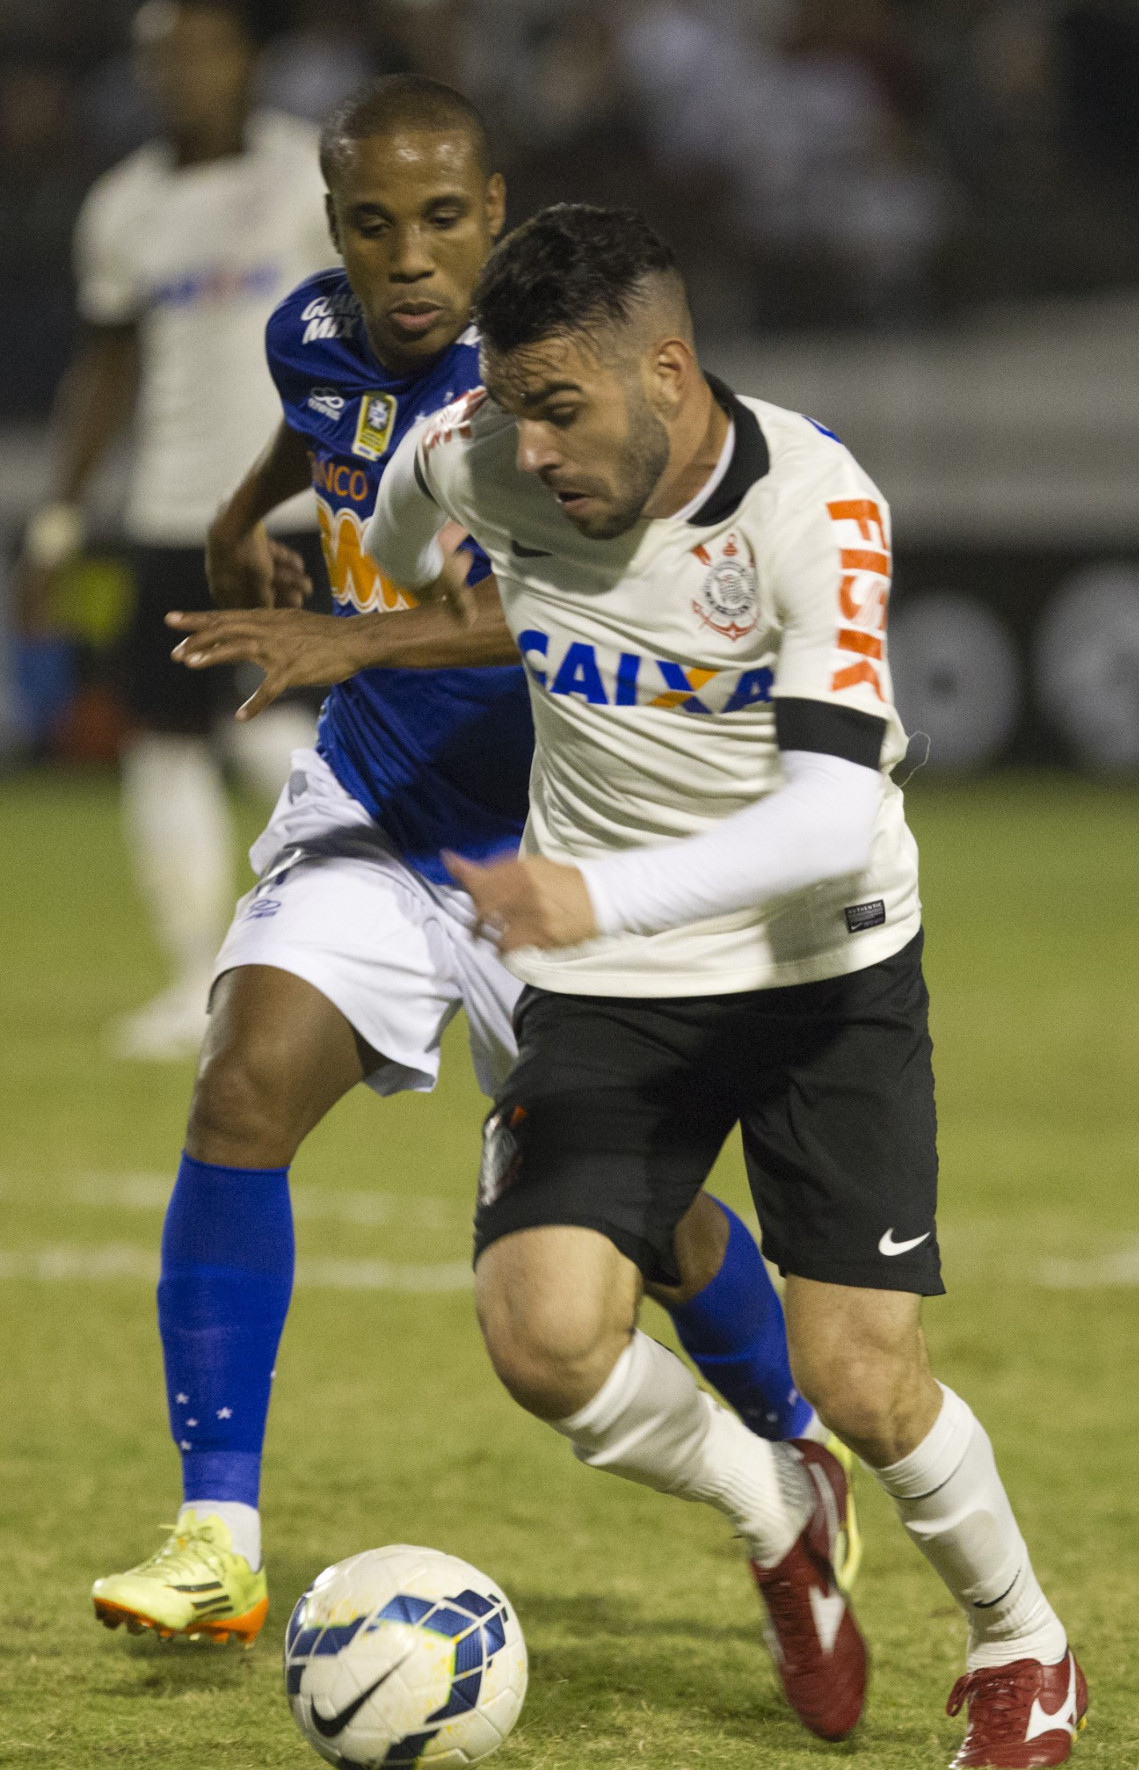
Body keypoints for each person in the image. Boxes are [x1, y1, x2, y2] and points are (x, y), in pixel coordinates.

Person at [92, 79, 837, 1653]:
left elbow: (581, 595)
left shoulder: (556, 385)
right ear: (335, 228)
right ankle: (217, 1533)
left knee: (652, 1219)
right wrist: (246, 524)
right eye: (374, 225)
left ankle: (798, 1446)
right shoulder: (311, 331)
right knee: (240, 1085)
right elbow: (321, 432)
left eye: (442, 221)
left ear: (496, 213)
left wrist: (345, 633)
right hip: (377, 803)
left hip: (568, 845)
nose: (410, 258)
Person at [358, 203, 1087, 1767]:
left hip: (824, 968)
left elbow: (828, 814)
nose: (535, 448)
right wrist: (408, 559)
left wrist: (585, 890)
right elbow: (397, 513)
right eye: (517, 406)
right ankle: (776, 1503)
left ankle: (1022, 1639)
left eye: (565, 406)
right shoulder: (480, 448)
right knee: (542, 1334)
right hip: (612, 986)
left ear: (667, 373)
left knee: (866, 1379)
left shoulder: (815, 507)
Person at [17, 0, 331, 1060]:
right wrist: (58, 527)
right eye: (163, 58)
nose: (182, 73)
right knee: (163, 744)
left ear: (246, 56)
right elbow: (103, 367)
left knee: (301, 735)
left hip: (297, 508)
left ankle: (334, 959)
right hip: (166, 514)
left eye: (202, 49)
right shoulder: (125, 208)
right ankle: (197, 976)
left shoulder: (309, 177)